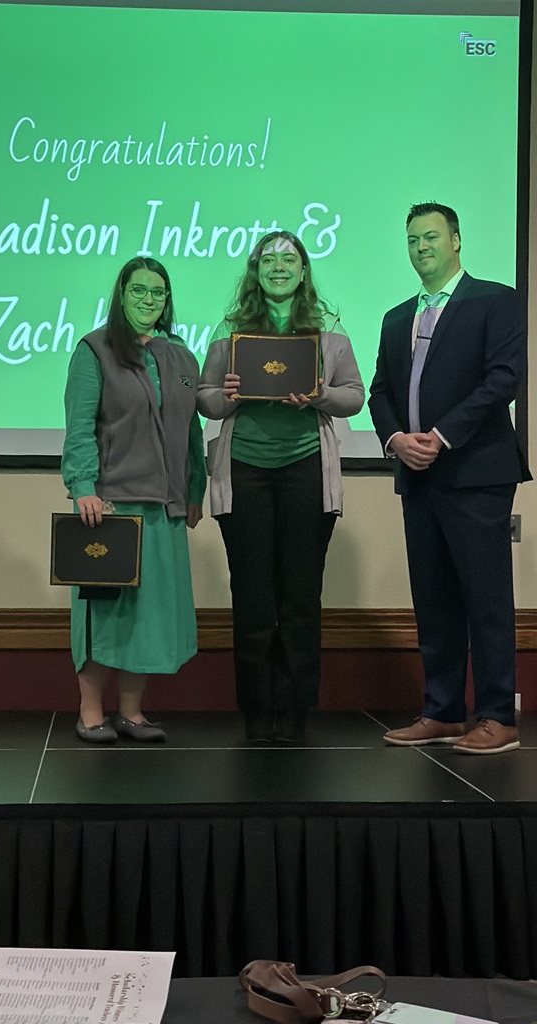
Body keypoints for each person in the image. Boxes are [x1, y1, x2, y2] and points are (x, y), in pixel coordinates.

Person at [369, 202, 531, 754]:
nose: (421, 247)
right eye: (412, 239)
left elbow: (503, 380)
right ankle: (442, 711)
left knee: (485, 597)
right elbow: (380, 394)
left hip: (475, 472)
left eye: (431, 237)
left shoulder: (496, 300)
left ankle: (496, 717)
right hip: (416, 475)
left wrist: (440, 435)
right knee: (433, 599)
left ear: (457, 240)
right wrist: (397, 440)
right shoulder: (396, 318)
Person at [198, 230, 364, 743]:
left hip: (306, 472)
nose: (278, 267)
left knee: (299, 596)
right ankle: (256, 708)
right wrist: (226, 396)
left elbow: (354, 396)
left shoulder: (329, 331)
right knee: (251, 595)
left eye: (288, 259)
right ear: (255, 270)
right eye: (268, 259)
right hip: (243, 470)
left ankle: (294, 711)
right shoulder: (230, 331)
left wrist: (318, 395)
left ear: (303, 270)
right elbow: (205, 398)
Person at [62, 256, 206, 743]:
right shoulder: (94, 350)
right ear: (121, 294)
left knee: (149, 619)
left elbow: (191, 430)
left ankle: (131, 711)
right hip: (113, 509)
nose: (149, 300)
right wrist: (83, 487)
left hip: (164, 508)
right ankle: (90, 712)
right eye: (139, 290)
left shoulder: (181, 355)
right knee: (107, 618)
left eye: (158, 292)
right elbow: (80, 429)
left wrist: (194, 489)